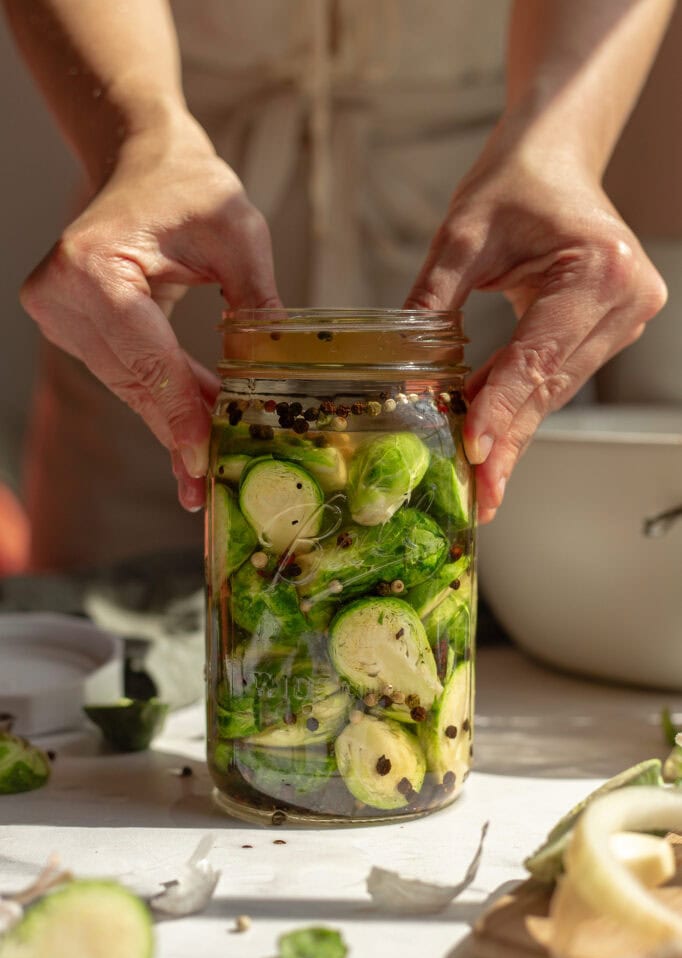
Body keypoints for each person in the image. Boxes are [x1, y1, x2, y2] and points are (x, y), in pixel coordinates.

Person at [2, 0, 672, 571]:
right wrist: (138, 137)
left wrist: (560, 148)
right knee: (97, 680)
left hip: (473, 294)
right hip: (153, 308)